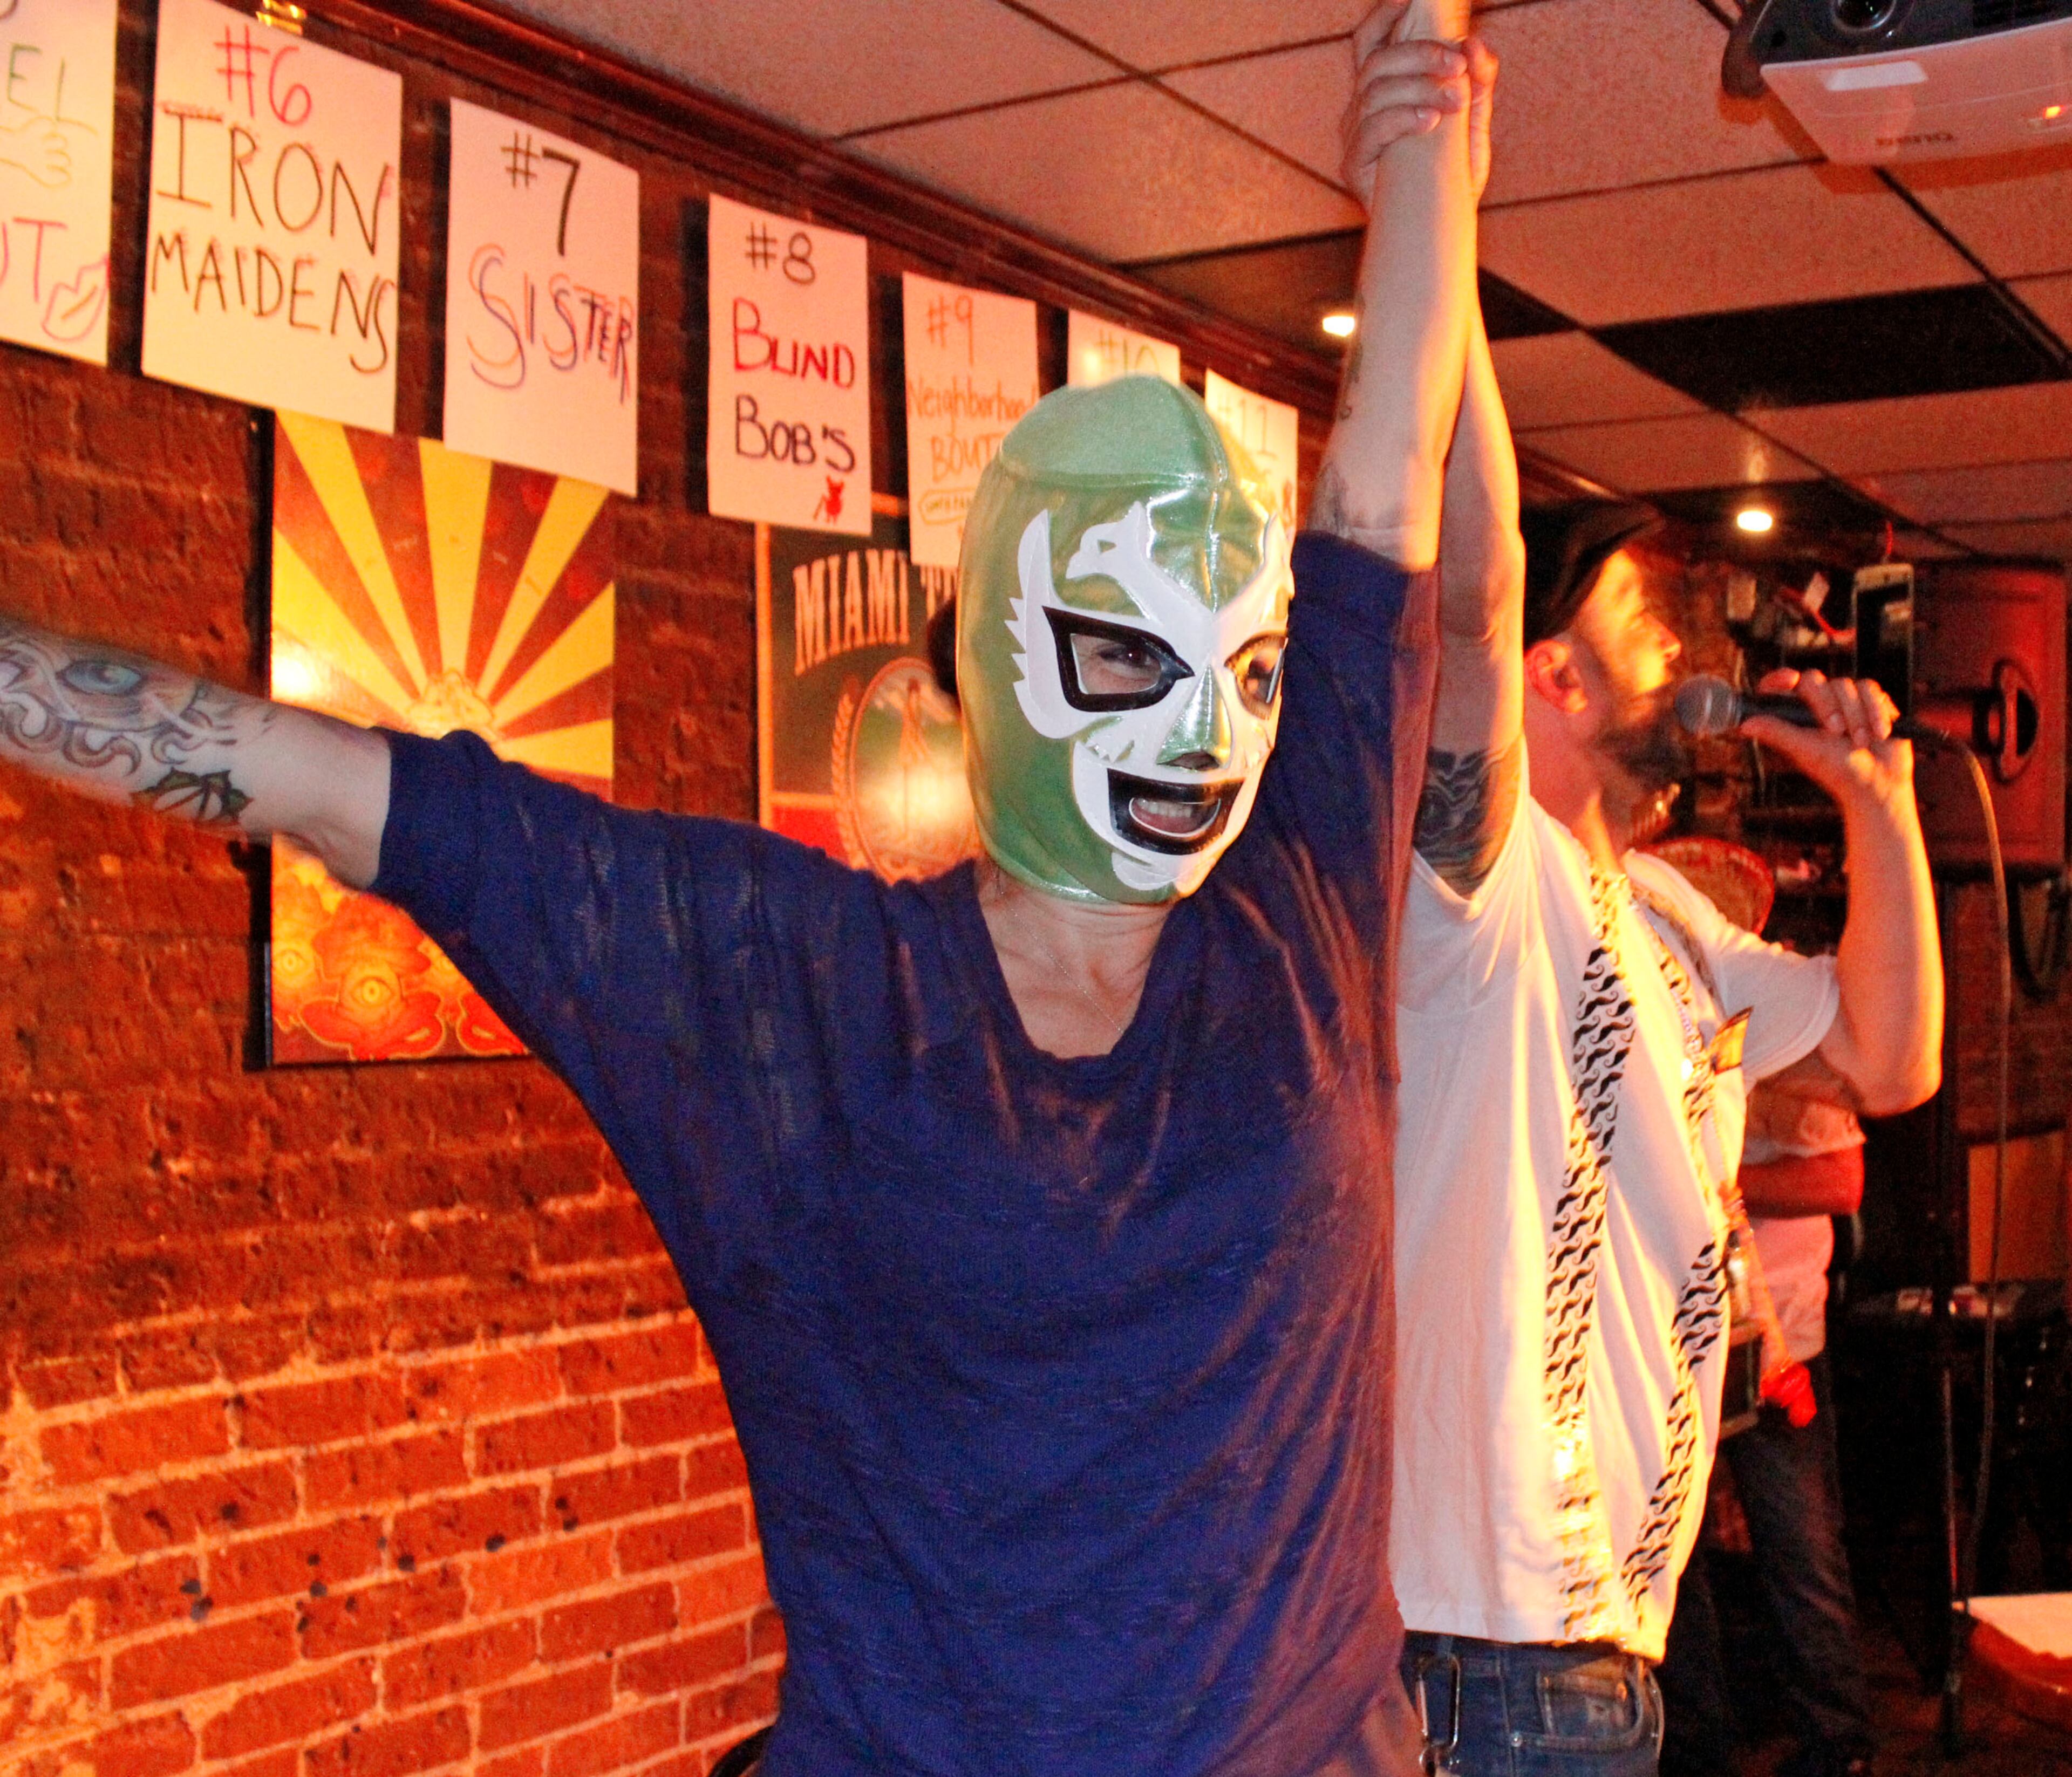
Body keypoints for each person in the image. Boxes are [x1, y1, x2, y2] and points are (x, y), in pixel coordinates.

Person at [0, 5, 1498, 1773]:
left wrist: (1428, 171)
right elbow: (325, 786)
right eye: (1121, 655)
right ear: (985, 665)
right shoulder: (799, 985)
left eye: (1248, 675)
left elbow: (1386, 502)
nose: (1206, 728)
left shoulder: (1304, 915)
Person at [1387, 467, 1942, 1772]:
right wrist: (1442, 273)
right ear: (1553, 674)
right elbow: (1469, 610)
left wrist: (1881, 804)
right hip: (1497, 1640)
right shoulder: (1484, 881)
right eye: (1642, 617)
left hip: (1589, 1643)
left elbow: (1887, 1057)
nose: (1682, 649)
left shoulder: (1663, 911)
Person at [1658, 1081, 1878, 1777]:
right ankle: (1699, 1752)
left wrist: (1703, 1172)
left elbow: (1841, 1181)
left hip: (1776, 1335)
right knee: (1671, 1558)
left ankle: (1837, 1747)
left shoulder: (1783, 1028)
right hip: (1668, 1333)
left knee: (1801, 1551)